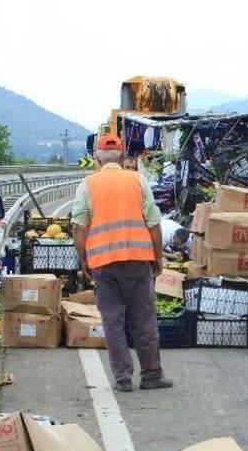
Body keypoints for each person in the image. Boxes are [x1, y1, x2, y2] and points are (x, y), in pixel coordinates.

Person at [72, 133, 173, 392]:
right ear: (122, 154)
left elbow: (78, 226)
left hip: (103, 263)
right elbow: (153, 222)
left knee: (112, 320)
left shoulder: (88, 184)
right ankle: (151, 375)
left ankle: (122, 378)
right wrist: (157, 256)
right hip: (138, 261)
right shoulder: (137, 180)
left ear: (96, 156)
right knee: (144, 319)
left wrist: (84, 259)